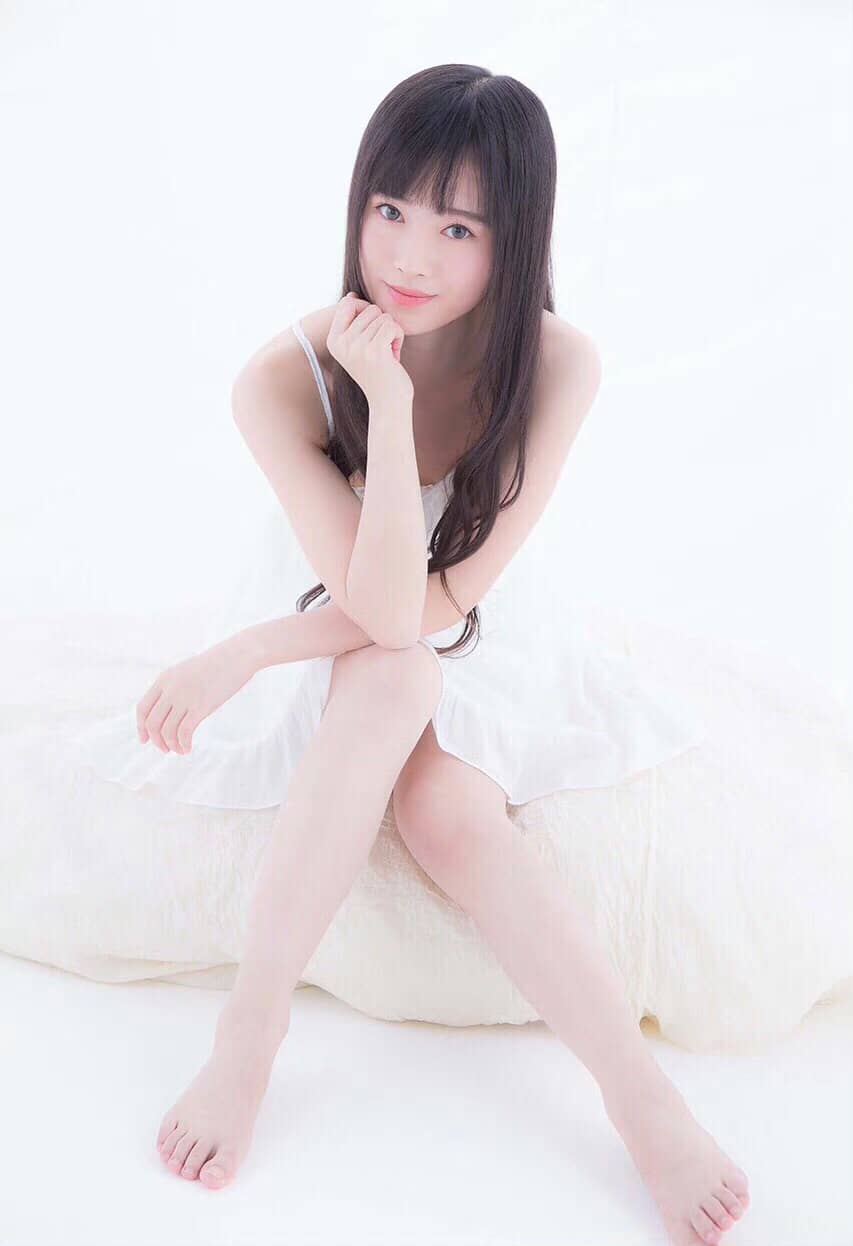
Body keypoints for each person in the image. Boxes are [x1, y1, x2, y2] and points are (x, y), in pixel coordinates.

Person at [68, 64, 749, 1244]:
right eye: (390, 209)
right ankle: (249, 1034)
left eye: (457, 227)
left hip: (473, 617)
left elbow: (438, 600)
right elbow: (376, 604)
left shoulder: (559, 364)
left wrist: (247, 650)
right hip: (331, 600)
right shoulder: (278, 379)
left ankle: (642, 1102)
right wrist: (375, 403)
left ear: (513, 237)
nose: (409, 256)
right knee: (388, 677)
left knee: (443, 807)